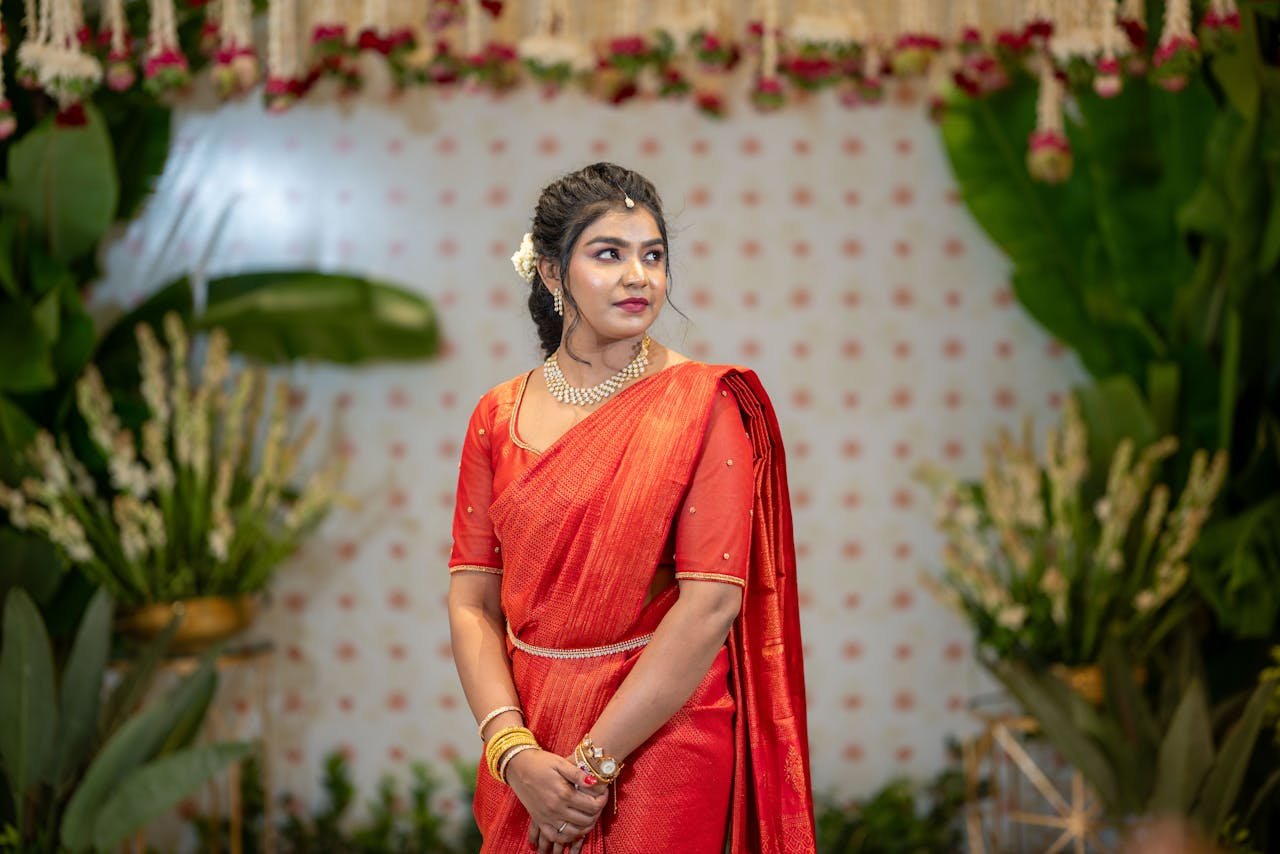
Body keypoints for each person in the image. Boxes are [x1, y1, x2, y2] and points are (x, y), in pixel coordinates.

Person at [446, 162, 815, 854]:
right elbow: (472, 599)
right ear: (552, 274)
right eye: (608, 254)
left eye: (653, 256)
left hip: (663, 737)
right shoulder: (497, 417)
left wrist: (591, 769)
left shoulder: (705, 406)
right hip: (531, 741)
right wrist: (511, 748)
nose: (638, 277)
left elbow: (709, 605)